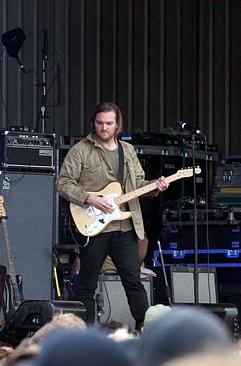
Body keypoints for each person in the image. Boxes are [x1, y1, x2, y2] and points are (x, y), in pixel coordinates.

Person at [57, 102, 168, 329]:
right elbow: (63, 183)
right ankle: (85, 332)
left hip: (123, 228)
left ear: (117, 125)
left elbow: (138, 184)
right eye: (99, 123)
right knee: (87, 284)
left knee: (134, 282)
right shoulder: (80, 150)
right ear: (93, 123)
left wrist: (155, 186)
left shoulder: (127, 151)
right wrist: (90, 199)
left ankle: (144, 328)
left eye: (109, 123)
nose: (104, 127)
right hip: (94, 228)